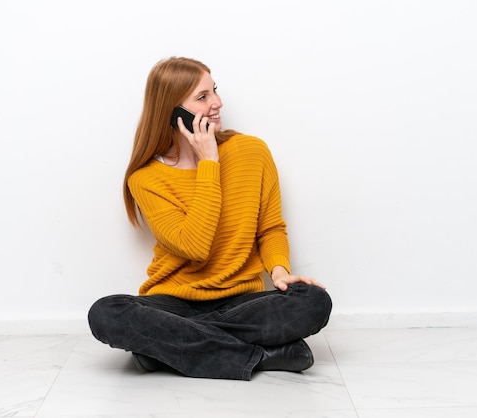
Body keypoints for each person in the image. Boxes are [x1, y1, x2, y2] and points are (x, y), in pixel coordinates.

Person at [88, 56, 332, 381]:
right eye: (202, 97)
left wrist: (279, 270)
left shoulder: (251, 152)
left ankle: (167, 350)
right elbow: (195, 247)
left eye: (213, 91)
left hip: (241, 302)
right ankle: (261, 357)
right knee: (106, 313)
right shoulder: (146, 179)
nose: (217, 102)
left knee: (314, 301)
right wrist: (208, 163)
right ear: (172, 111)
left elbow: (270, 228)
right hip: (174, 303)